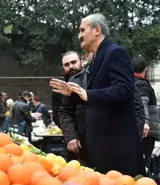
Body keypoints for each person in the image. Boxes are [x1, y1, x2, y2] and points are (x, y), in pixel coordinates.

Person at [67, 13, 145, 176]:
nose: (79, 35)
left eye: (82, 30)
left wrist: (88, 94)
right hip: (103, 147)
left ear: (96, 30)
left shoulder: (115, 53)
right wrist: (73, 94)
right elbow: (99, 98)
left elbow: (124, 89)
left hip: (117, 149)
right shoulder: (97, 59)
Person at [134, 56, 160, 171]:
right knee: (144, 165)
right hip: (146, 134)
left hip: (142, 131)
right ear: (146, 70)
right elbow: (142, 103)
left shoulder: (133, 83)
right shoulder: (142, 84)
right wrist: (145, 122)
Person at [50, 51, 83, 127]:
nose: (71, 66)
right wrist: (71, 135)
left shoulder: (92, 80)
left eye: (74, 62)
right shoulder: (58, 89)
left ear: (81, 62)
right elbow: (57, 117)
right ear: (63, 67)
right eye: (66, 64)